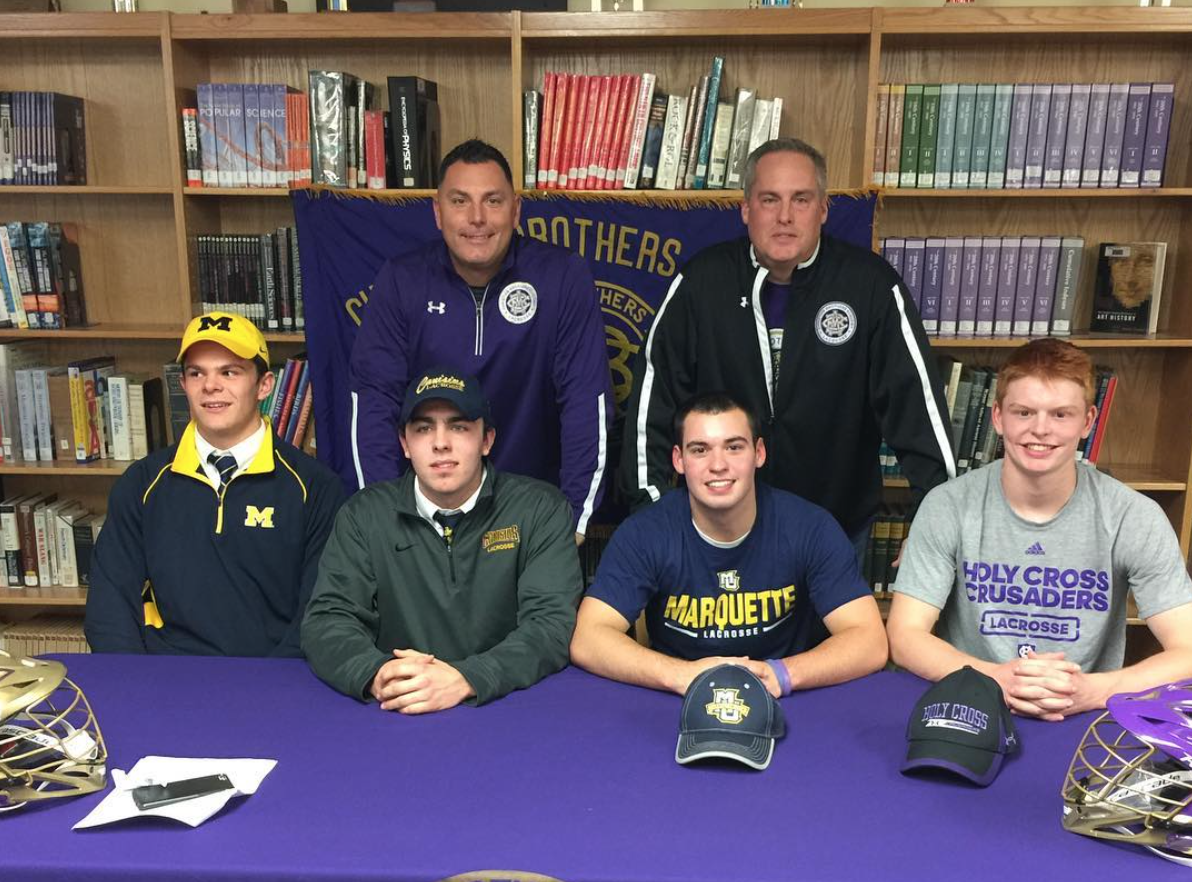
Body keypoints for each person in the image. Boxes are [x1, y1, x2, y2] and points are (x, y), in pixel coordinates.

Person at [619, 136, 955, 558]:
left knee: (844, 629)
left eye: (800, 199)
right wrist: (649, 513)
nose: (784, 216)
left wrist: (934, 520)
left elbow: (918, 406)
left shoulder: (869, 285)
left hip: (835, 527)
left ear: (823, 209)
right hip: (717, 528)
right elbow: (652, 402)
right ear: (745, 210)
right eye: (768, 200)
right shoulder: (701, 283)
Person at [887, 337, 1192, 720]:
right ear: (998, 417)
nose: (1041, 430)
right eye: (1024, 412)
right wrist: (996, 679)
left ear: (1088, 422)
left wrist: (1093, 691)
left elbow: (1187, 651)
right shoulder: (947, 506)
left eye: (1061, 414)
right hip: (970, 703)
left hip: (1081, 712)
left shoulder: (1134, 517)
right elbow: (904, 636)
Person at [348, 139, 613, 537]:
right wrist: (385, 521)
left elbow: (586, 403)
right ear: (438, 213)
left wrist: (574, 521)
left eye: (492, 201)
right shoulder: (402, 280)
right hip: (425, 516)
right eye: (459, 201)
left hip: (533, 515)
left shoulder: (561, 277)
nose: (477, 218)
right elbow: (372, 402)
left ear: (516, 210)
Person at [570, 392, 887, 696]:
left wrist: (783, 673)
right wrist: (680, 674)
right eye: (699, 450)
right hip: (676, 700)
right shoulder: (645, 533)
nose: (718, 465)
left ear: (758, 453)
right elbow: (589, 637)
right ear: (678, 460)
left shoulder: (810, 527)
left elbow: (869, 640)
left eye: (734, 447)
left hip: (785, 699)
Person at [302, 369, 582, 712]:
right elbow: (328, 620)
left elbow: (551, 626)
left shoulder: (539, 509)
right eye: (423, 428)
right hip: (400, 707)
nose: (440, 443)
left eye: (459, 426)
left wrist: (467, 678)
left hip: (509, 707)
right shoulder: (363, 514)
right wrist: (378, 674)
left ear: (487, 440)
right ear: (404, 444)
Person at [85, 312, 345, 656]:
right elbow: (109, 604)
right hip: (166, 681)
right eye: (197, 373)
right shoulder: (142, 483)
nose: (211, 386)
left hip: (273, 684)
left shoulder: (315, 488)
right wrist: (134, 682)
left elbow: (319, 614)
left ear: (264, 384)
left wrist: (273, 690)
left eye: (229, 372)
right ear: (183, 386)